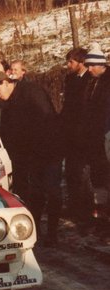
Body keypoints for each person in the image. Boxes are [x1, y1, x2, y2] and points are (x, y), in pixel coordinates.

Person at [0, 71, 63, 245]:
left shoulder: (31, 92)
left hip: (50, 151)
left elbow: (47, 121)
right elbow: (7, 132)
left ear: (6, 83)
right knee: (35, 193)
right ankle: (36, 230)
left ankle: (53, 233)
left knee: (52, 191)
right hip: (31, 155)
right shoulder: (7, 103)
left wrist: (35, 145)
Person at [60, 47, 93, 229]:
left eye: (71, 62)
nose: (68, 65)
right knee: (72, 172)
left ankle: (86, 211)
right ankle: (74, 207)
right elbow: (68, 106)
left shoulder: (90, 80)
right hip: (70, 134)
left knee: (84, 175)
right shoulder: (70, 79)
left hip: (83, 135)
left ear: (81, 62)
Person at [84, 42, 110, 227]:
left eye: (92, 65)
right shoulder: (92, 82)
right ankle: (101, 211)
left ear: (100, 64)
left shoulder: (107, 81)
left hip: (107, 133)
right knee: (99, 174)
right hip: (96, 136)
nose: (89, 69)